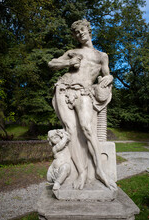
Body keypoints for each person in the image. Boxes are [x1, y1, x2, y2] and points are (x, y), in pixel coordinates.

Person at [48, 19, 114, 190]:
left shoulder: (101, 56)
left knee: (86, 129)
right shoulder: (72, 52)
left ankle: (100, 171)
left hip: (84, 91)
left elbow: (106, 75)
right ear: (75, 36)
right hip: (63, 89)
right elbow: (52, 63)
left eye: (82, 30)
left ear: (89, 30)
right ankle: (81, 172)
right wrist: (69, 63)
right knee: (71, 132)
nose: (80, 34)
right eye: (76, 33)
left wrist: (110, 78)